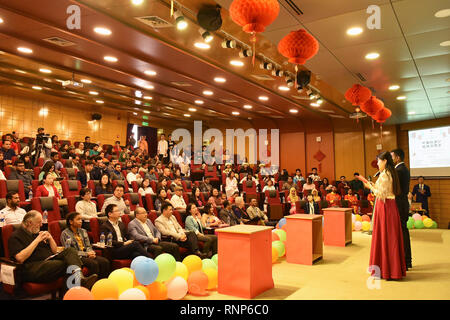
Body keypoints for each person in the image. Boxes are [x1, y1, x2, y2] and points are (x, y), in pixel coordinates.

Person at [8, 210, 97, 289]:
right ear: (29, 223)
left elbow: (54, 251)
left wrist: (50, 238)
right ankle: (72, 290)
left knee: (70, 251)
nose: (41, 225)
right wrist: (37, 240)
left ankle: (79, 278)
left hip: (50, 261)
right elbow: (20, 258)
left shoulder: (35, 232)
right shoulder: (16, 236)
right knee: (66, 264)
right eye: (39, 222)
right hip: (32, 267)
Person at [357, 151, 406, 280]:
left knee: (385, 236)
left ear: (384, 161)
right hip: (388, 205)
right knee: (389, 237)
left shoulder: (386, 174)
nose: (377, 163)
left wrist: (370, 186)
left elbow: (381, 193)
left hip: (384, 206)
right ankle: (390, 269)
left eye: (378, 161)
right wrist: (373, 185)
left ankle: (387, 270)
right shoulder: (389, 172)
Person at [61, 212, 110, 279]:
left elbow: (88, 245)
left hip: (87, 254)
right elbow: (70, 252)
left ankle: (103, 283)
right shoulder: (65, 234)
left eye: (81, 219)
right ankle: (92, 285)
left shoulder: (83, 231)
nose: (81, 221)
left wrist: (91, 253)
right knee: (94, 264)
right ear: (71, 221)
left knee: (105, 262)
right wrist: (86, 254)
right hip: (77, 257)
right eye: (78, 219)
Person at [391, 148, 412, 269]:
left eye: (392, 157)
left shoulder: (398, 170)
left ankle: (405, 260)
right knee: (403, 230)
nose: (391, 159)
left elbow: (393, 187)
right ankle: (407, 260)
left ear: (398, 157)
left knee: (402, 231)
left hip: (399, 203)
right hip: (402, 202)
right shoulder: (403, 169)